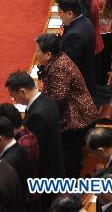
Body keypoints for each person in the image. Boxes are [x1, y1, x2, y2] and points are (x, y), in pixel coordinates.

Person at [33, 34, 98, 178]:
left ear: (49, 54)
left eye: (38, 51)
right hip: (73, 113)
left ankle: (70, 186)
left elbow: (57, 100)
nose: (36, 54)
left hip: (77, 119)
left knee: (68, 160)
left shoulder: (60, 67)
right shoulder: (56, 60)